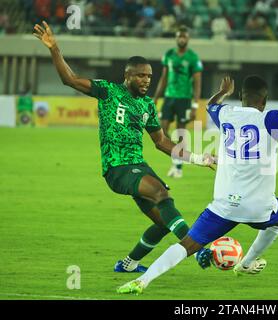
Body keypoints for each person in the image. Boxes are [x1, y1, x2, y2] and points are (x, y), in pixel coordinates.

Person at [116, 75, 278, 295]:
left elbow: (211, 105)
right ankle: (247, 262)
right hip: (258, 208)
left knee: (186, 245)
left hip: (223, 206)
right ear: (263, 101)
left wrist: (223, 92)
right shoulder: (271, 119)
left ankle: (142, 280)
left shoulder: (225, 114)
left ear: (242, 98)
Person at [33, 21, 215, 273]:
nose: (146, 80)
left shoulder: (148, 105)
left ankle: (129, 264)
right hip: (117, 168)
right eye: (141, 75)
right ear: (127, 75)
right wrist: (54, 48)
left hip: (138, 166)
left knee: (163, 222)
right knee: (163, 195)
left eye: (149, 76)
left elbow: (161, 142)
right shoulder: (108, 92)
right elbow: (70, 79)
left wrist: (197, 158)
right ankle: (199, 251)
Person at [153, 25, 203, 179]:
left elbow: (197, 83)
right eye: (179, 36)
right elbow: (163, 78)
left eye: (184, 36)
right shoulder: (168, 55)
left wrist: (195, 105)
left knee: (181, 132)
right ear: (176, 38)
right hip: (169, 97)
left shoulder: (193, 58)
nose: (182, 39)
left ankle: (179, 167)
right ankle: (176, 154)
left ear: (188, 39)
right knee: (162, 129)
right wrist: (156, 98)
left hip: (184, 99)